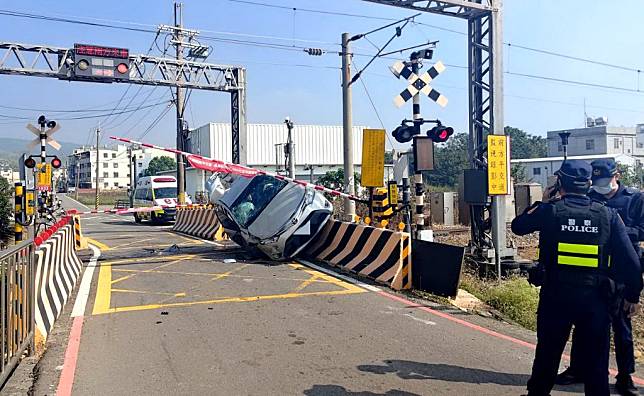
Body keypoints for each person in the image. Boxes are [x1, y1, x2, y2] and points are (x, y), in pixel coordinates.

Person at [511, 160, 642, 396]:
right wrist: (633, 295)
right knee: (596, 359)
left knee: (548, 353)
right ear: (588, 184)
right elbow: (630, 262)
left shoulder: (549, 211)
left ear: (560, 182)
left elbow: (518, 226)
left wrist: (546, 200)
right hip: (595, 299)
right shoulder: (608, 215)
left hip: (556, 296)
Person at [556, 159, 644, 395]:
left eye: (604, 181)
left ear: (617, 175)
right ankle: (577, 369)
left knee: (622, 327)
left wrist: (614, 228)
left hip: (622, 271)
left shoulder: (634, 199)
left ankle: (625, 376)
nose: (600, 185)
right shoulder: (591, 197)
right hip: (594, 272)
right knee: (583, 325)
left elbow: (642, 230)